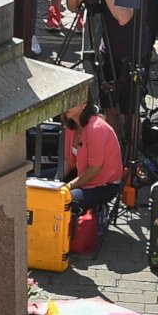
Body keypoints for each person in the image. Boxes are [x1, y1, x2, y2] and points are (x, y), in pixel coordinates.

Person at [61, 92, 125, 229]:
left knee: (62, 200)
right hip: (82, 174)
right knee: (36, 182)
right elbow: (67, 160)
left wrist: (68, 187)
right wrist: (54, 183)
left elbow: (95, 169)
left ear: (84, 104)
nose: (66, 106)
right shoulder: (71, 124)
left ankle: (95, 211)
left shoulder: (95, 128)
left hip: (105, 185)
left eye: (71, 102)